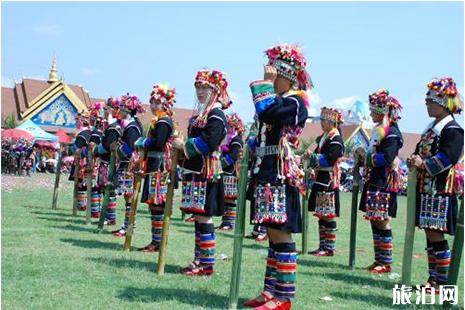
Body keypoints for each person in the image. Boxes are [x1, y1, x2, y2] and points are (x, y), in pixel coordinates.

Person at [244, 43, 310, 310]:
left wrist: (265, 83)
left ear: (289, 76)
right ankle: (270, 291)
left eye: (276, 75)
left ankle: (284, 297)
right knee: (272, 234)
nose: (273, 78)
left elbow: (267, 111)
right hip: (266, 172)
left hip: (280, 176)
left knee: (281, 234)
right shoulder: (282, 100)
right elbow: (261, 125)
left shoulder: (296, 103)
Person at [172, 69, 231, 276]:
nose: (200, 91)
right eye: (198, 87)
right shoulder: (202, 114)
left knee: (204, 216)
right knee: (198, 216)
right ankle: (199, 259)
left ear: (215, 89)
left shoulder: (216, 114)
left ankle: (206, 264)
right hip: (196, 172)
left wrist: (183, 146)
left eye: (205, 87)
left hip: (207, 172)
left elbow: (209, 141)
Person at [407, 77, 463, 292]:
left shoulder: (453, 130)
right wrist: (414, 159)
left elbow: (448, 157)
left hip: (440, 189)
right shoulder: (431, 129)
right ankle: (434, 278)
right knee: (430, 233)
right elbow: (421, 150)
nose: (427, 105)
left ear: (443, 103)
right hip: (427, 188)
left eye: (430, 102)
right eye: (426, 101)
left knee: (435, 233)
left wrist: (424, 163)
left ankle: (442, 280)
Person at [355, 89, 403, 274]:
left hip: (384, 182)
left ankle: (386, 262)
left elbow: (388, 157)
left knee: (382, 220)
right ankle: (379, 260)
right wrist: (362, 154)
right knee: (374, 220)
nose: (371, 113)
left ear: (384, 112)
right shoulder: (379, 130)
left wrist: (367, 159)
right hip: (375, 180)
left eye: (374, 110)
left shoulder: (392, 132)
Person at [135, 84, 175, 252]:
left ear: (165, 104)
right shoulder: (158, 120)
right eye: (151, 102)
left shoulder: (164, 121)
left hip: (160, 167)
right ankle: (156, 241)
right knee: (154, 205)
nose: (153, 106)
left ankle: (158, 242)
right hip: (154, 166)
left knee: (158, 204)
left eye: (157, 103)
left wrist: (144, 142)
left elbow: (159, 143)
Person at [305, 107, 344, 257]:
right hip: (321, 178)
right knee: (321, 214)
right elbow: (316, 155)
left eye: (323, 120)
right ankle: (322, 246)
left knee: (328, 214)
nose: (321, 123)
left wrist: (313, 158)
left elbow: (329, 159)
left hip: (328, 179)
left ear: (331, 122)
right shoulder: (325, 137)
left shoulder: (336, 140)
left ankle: (329, 248)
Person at [111, 94, 144, 237]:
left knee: (129, 196)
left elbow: (130, 148)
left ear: (129, 110)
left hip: (129, 165)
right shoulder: (132, 125)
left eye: (123, 108)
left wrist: (116, 149)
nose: (120, 110)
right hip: (128, 164)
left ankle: (129, 226)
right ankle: (127, 225)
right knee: (127, 196)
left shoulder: (132, 127)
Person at [94, 97, 123, 225]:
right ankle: (108, 216)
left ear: (112, 110)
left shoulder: (113, 128)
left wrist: (95, 150)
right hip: (106, 161)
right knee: (106, 189)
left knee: (109, 188)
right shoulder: (111, 126)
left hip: (110, 162)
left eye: (106, 109)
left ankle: (110, 217)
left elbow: (107, 146)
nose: (104, 112)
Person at [218, 113, 244, 231]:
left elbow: (233, 156)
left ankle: (229, 223)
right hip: (226, 172)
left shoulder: (236, 140)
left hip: (232, 173)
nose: (228, 129)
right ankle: (225, 222)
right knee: (225, 198)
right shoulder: (226, 140)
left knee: (230, 198)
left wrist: (219, 164)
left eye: (230, 126)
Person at [69, 111, 92, 211]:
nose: (76, 122)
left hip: (82, 161)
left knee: (81, 182)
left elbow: (77, 149)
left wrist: (71, 144)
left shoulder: (82, 134)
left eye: (77, 120)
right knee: (83, 182)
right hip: (86, 160)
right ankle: (82, 204)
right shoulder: (89, 132)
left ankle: (81, 205)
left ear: (82, 121)